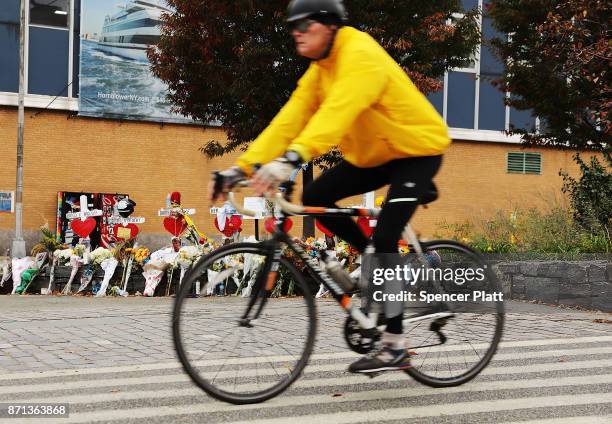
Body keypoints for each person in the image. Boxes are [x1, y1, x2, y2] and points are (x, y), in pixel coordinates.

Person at [209, 0, 451, 374]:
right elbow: (288, 121)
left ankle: (395, 345)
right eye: (292, 26)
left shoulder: (359, 53)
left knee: (386, 236)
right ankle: (371, 269)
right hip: (373, 157)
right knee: (315, 197)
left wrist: (292, 158)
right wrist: (240, 169)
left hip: (416, 151)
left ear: (329, 25)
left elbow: (338, 112)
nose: (296, 32)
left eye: (304, 25)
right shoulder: (319, 71)